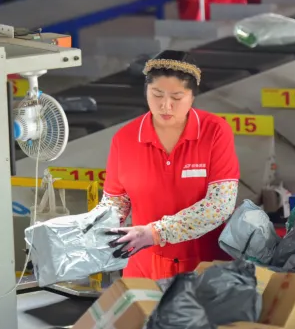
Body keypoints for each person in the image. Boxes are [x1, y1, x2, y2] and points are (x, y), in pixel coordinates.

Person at [102, 50, 240, 279]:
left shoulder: (214, 131)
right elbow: (114, 205)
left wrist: (156, 232)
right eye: (157, 94)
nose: (165, 105)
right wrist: (88, 234)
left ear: (192, 97)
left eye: (176, 97)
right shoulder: (125, 139)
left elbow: (219, 205)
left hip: (204, 267)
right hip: (143, 267)